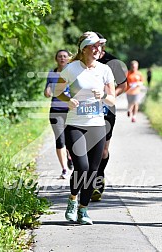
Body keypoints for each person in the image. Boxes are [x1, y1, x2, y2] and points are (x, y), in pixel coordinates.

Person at [54, 31, 115, 225]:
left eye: (100, 46)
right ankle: (72, 200)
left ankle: (83, 210)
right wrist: (68, 100)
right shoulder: (71, 69)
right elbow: (57, 92)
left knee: (92, 171)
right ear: (84, 49)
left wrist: (103, 96)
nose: (98, 49)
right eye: (94, 46)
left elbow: (112, 99)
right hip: (75, 124)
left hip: (97, 125)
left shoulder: (105, 70)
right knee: (82, 166)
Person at [90, 32, 127, 202]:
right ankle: (88, 181)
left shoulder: (112, 62)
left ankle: (99, 177)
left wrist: (108, 98)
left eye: (98, 44)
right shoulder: (83, 62)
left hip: (107, 110)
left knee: (103, 149)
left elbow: (123, 85)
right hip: (86, 109)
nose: (96, 47)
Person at [44, 49, 73, 179]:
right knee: (60, 140)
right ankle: (64, 169)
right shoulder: (52, 73)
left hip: (71, 111)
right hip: (56, 111)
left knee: (71, 139)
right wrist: (47, 91)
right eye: (60, 56)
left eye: (65, 56)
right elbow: (47, 90)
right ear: (56, 59)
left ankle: (70, 157)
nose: (62, 58)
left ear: (68, 59)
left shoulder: (73, 73)